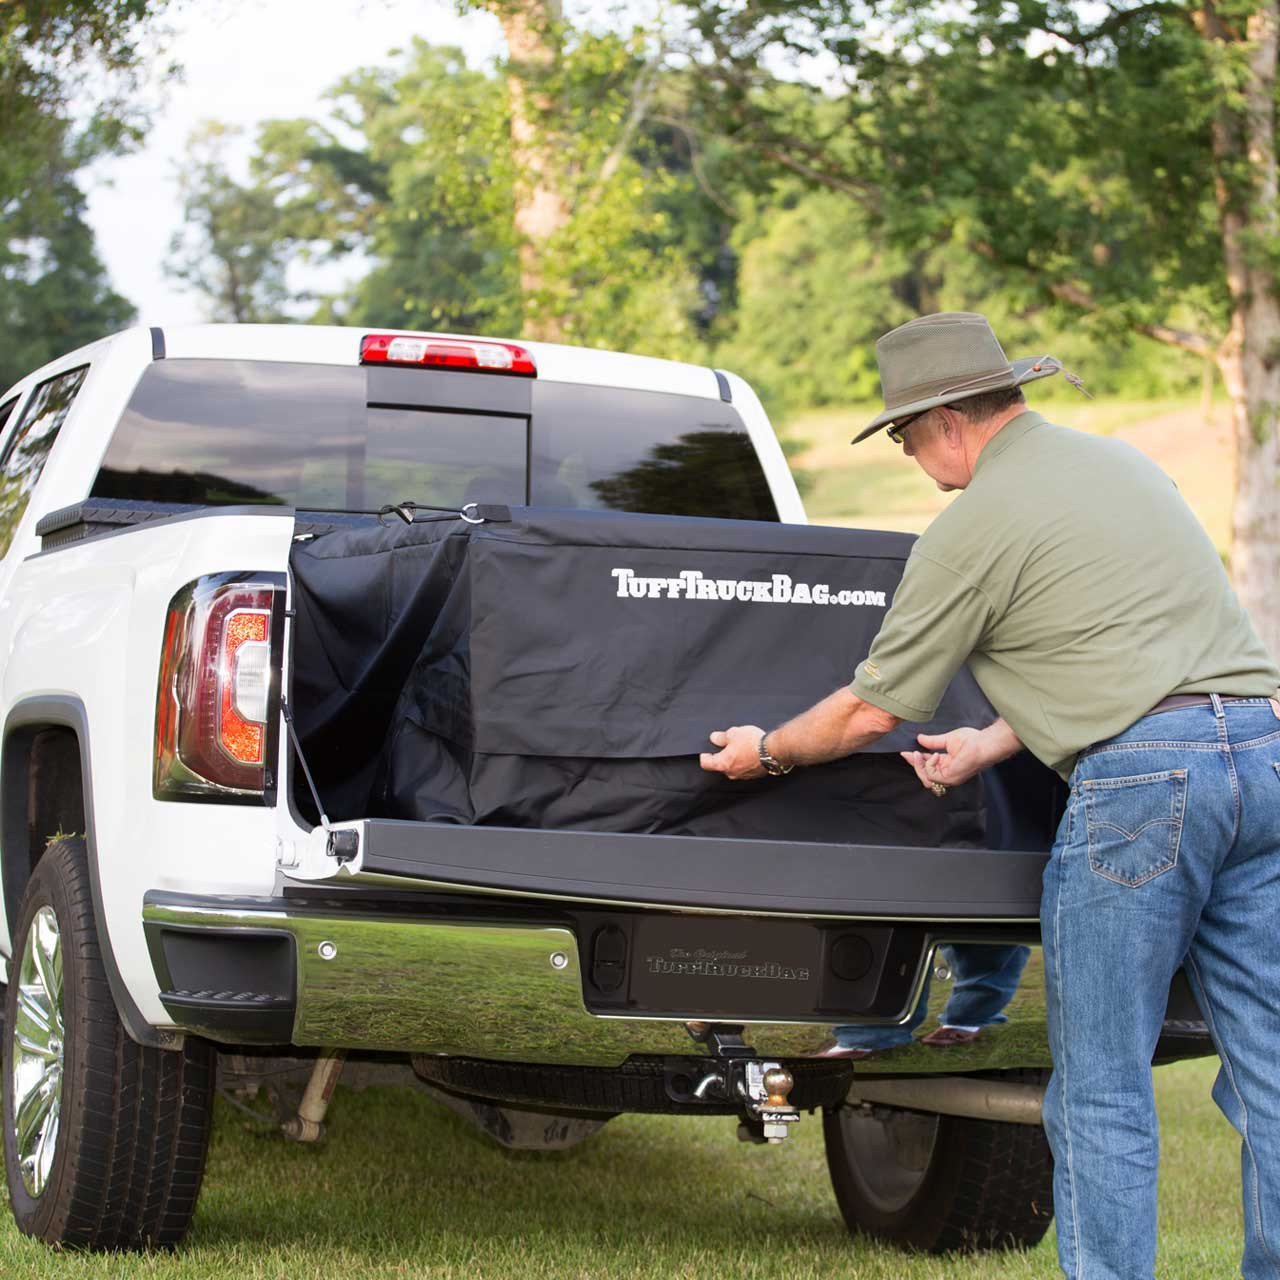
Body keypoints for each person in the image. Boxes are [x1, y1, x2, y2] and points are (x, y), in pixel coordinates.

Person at [699, 311, 1280, 1280]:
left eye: (901, 432)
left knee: (1097, 1089)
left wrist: (763, 750)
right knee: (1269, 1069)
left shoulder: (968, 528)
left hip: (1140, 785)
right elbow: (1146, 653)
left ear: (946, 423)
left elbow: (862, 715)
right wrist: (989, 738)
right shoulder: (1124, 468)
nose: (907, 453)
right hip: (1260, 755)